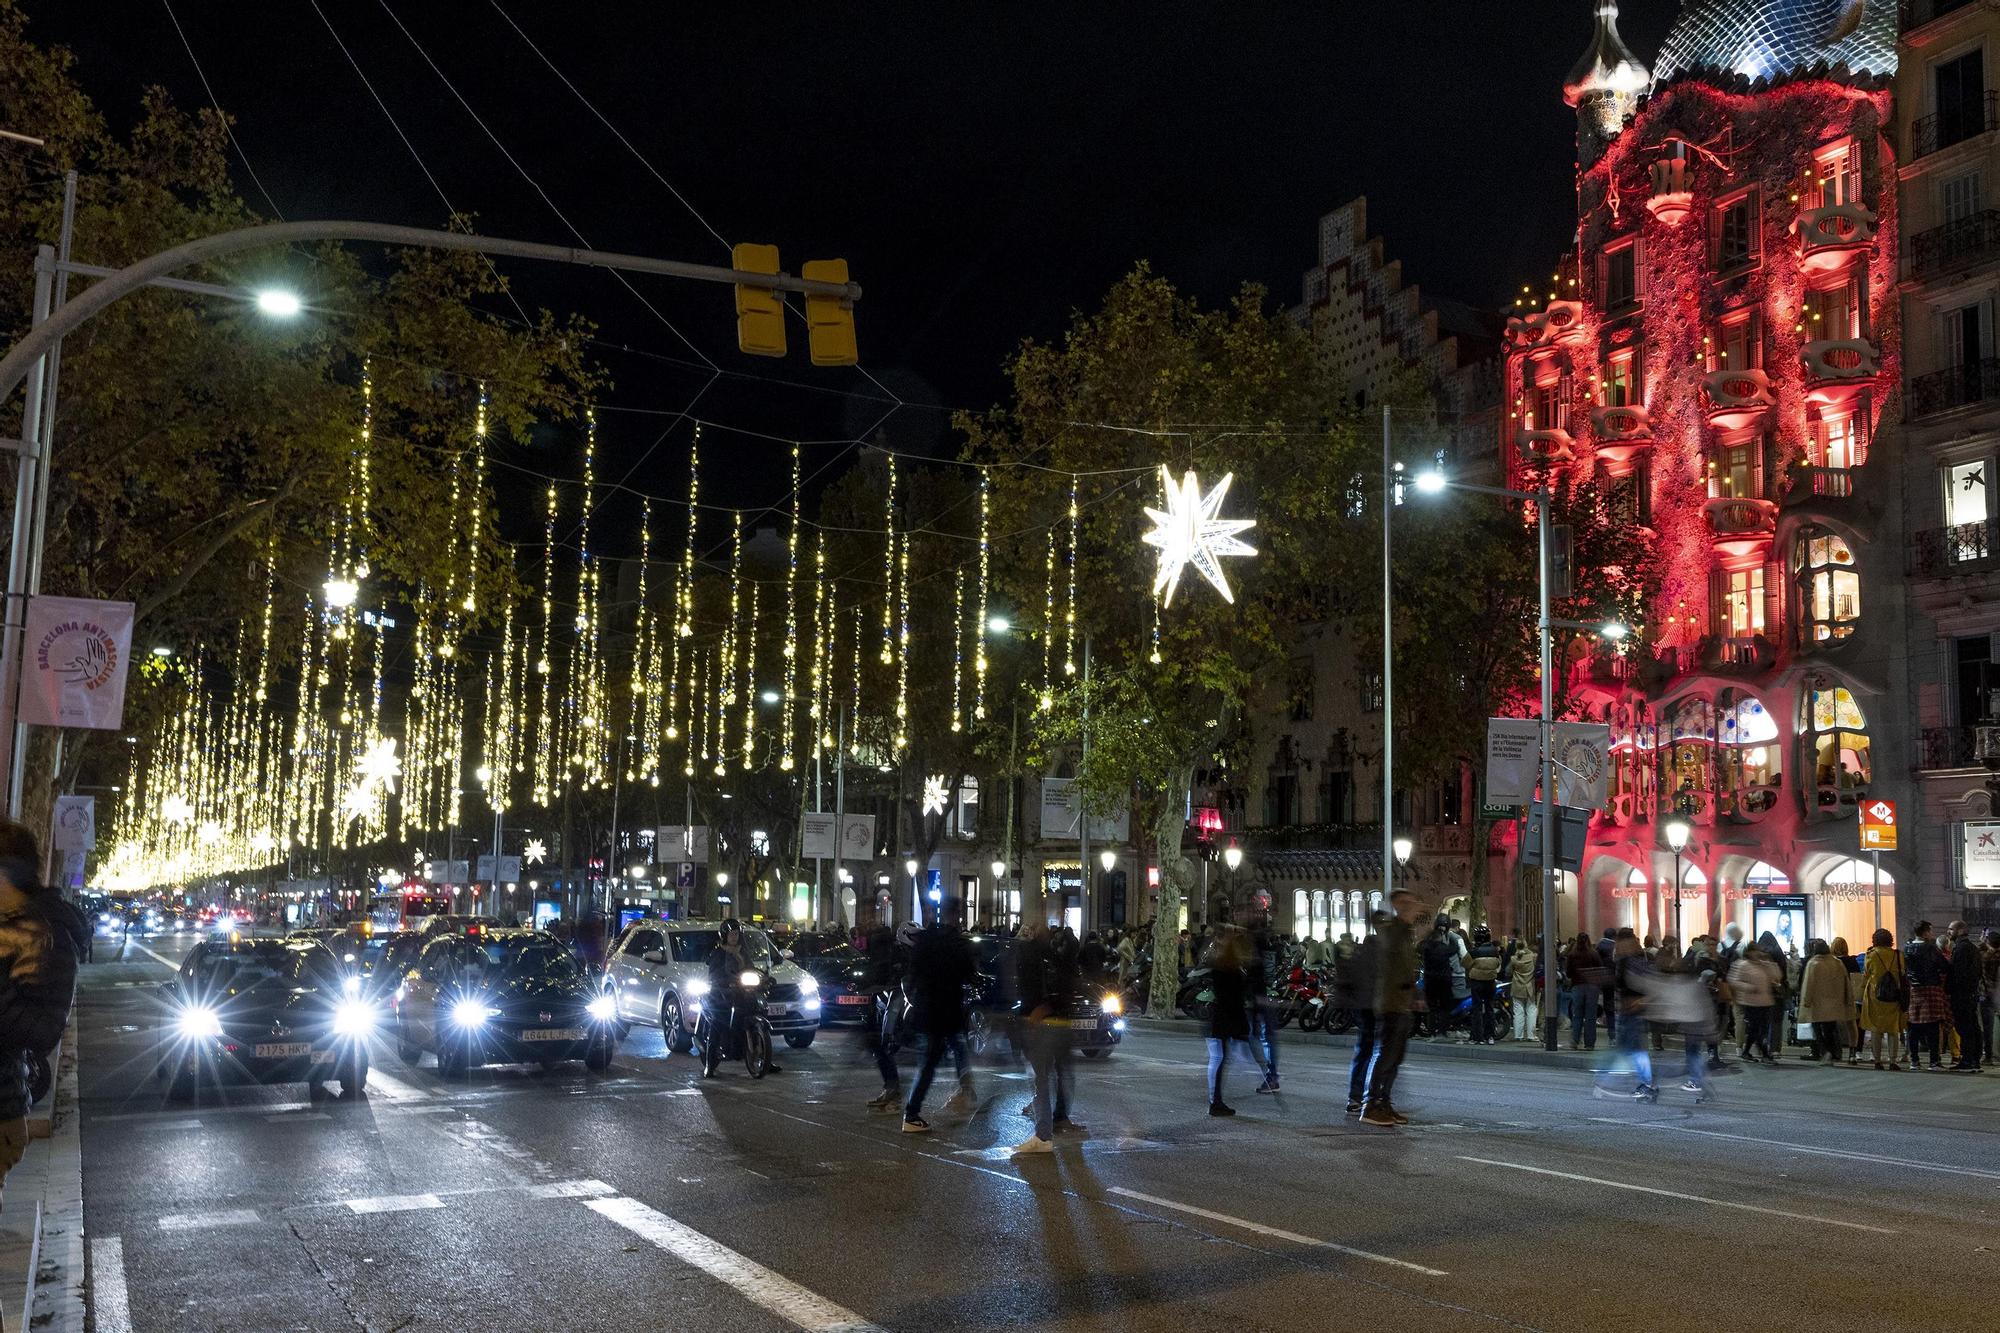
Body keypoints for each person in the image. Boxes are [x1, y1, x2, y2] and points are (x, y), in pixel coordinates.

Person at [901, 903, 977, 1132]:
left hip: (928, 1009)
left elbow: (912, 975)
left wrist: (914, 1001)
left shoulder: (925, 941)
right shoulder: (956, 943)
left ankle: (916, 1112)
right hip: (948, 1009)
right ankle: (912, 1113)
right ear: (955, 916)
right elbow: (969, 974)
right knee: (950, 1051)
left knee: (934, 1060)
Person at [1011, 920, 1079, 1154]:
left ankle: (1043, 1134)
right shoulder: (1059, 957)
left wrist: (1037, 1012)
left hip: (1043, 1023)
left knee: (1041, 1079)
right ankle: (1059, 1117)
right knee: (1061, 1074)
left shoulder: (1032, 956)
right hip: (1062, 1023)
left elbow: (1030, 989)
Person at [1360, 889, 1420, 1128]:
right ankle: (1371, 1104)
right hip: (1390, 1003)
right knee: (1386, 1055)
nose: (1411, 907)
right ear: (1396, 905)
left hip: (1401, 1002)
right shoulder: (1391, 930)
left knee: (1395, 1058)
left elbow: (1405, 967)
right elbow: (1391, 953)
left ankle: (1384, 1101)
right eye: (1405, 903)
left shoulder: (1404, 933)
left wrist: (1415, 994)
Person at [1595, 933, 1655, 1099]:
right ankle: (1606, 1082)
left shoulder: (1635, 962)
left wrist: (1641, 1001)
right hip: (1627, 1011)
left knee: (1634, 1051)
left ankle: (1645, 1084)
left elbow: (1648, 986)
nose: (1618, 946)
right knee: (1630, 1050)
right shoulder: (1624, 961)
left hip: (1634, 1011)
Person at [1204, 927, 1255, 1116]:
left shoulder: (1220, 968)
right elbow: (1235, 1000)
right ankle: (1215, 1101)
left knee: (1219, 1059)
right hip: (1227, 1019)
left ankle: (1215, 1100)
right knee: (1219, 1060)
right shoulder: (1231, 971)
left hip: (1220, 1019)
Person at [1341, 914, 1383, 1115]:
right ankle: (1369, 1096)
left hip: (1362, 1009)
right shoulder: (1378, 958)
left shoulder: (1358, 957)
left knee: (1363, 1052)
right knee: (1376, 1052)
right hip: (1373, 1009)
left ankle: (1355, 1096)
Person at [1859, 928, 1906, 1069]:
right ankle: (1893, 1061)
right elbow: (1902, 973)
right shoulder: (1898, 955)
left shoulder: (1871, 955)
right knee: (1893, 1029)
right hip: (1893, 995)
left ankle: (1877, 1061)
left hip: (1875, 996)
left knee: (1876, 1029)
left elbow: (1867, 974)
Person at [1244, 912, 1281, 1093]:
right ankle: (1271, 1075)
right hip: (1268, 994)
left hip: (1258, 997)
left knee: (1256, 1038)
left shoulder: (1253, 945)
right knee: (1267, 1037)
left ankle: (1270, 1076)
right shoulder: (1270, 945)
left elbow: (1252, 975)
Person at [1798, 939, 1850, 1064]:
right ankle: (1833, 1053)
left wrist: (1806, 1000)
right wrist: (1847, 998)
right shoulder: (1837, 963)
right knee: (1830, 1029)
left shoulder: (1813, 963)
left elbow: (1808, 984)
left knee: (1817, 1028)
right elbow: (1845, 982)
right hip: (1834, 1002)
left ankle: (1825, 1051)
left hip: (1818, 1003)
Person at [1905, 921, 1949, 1071]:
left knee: (1914, 1026)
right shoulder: (1930, 947)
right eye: (1930, 931)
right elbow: (1944, 966)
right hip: (1931, 988)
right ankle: (1934, 1061)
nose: (1932, 934)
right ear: (1924, 933)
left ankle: (1914, 1060)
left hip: (1915, 990)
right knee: (1933, 1027)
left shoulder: (1908, 947)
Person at [1728, 943, 1780, 1063]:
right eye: (1756, 950)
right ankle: (1765, 1054)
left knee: (1759, 1029)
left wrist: (1769, 962)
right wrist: (1749, 987)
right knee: (1756, 1029)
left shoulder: (1764, 965)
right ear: (1749, 952)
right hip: (1750, 1002)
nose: (1759, 953)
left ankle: (1747, 1052)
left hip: (1765, 1002)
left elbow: (1777, 976)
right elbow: (1733, 980)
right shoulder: (1742, 965)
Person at [1945, 921, 1984, 1073]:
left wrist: (1951, 988)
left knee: (1964, 1027)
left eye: (1951, 929)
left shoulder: (1961, 949)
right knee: (1973, 1026)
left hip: (1962, 994)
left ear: (1960, 931)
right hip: (1971, 993)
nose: (1949, 932)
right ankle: (1974, 1059)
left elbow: (1958, 973)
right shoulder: (1972, 948)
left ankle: (1967, 1059)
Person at [1418, 920, 1457, 1039]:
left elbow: (1419, 946)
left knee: (1432, 1008)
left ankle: (1431, 1032)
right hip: (1444, 981)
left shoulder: (1426, 948)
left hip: (1430, 981)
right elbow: (1455, 948)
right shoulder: (1445, 948)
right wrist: (1449, 935)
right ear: (1440, 937)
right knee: (1445, 1007)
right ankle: (1442, 1031)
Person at [1566, 933, 1605, 1050]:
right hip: (1592, 987)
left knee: (1577, 1015)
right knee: (1590, 1016)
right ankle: (1589, 1044)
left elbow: (1568, 973)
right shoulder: (1594, 954)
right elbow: (1600, 969)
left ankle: (1575, 1041)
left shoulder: (1572, 955)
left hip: (1577, 986)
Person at [1464, 926, 1502, 1045]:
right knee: (1490, 1009)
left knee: (1477, 1010)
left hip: (1477, 983)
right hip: (1491, 983)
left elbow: (1464, 963)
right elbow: (1498, 965)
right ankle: (1490, 1036)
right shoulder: (1495, 951)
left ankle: (1477, 1036)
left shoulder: (1474, 951)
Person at [1508, 932, 1539, 1042]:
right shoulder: (1533, 957)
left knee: (1518, 1011)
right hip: (1530, 986)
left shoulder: (1513, 959)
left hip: (1517, 986)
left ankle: (1518, 1035)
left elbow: (1508, 972)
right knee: (1531, 1010)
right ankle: (1531, 1035)